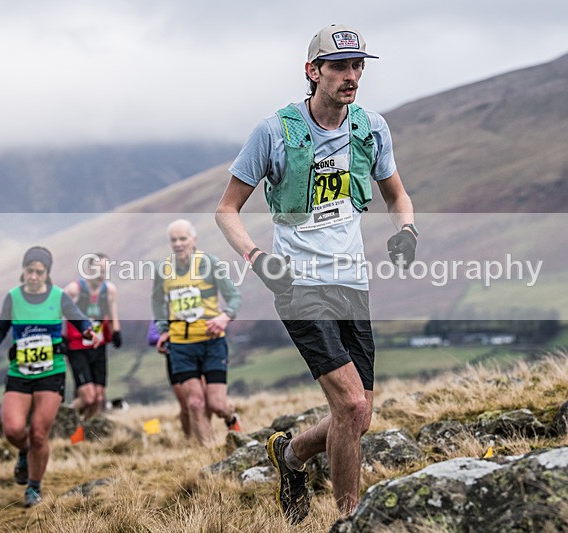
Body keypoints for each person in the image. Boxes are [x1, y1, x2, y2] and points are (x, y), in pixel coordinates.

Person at [215, 24, 417, 522]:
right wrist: (258, 259)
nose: (352, 76)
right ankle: (349, 520)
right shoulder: (274, 132)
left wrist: (407, 230)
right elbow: (226, 211)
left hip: (352, 283)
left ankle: (291, 455)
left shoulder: (371, 128)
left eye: (358, 66)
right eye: (340, 67)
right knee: (350, 407)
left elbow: (396, 195)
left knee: (360, 416)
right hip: (298, 284)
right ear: (313, 71)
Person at [0, 246, 98, 508]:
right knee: (13, 430)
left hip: (51, 372)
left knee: (38, 434)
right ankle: (24, 452)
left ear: (47, 274)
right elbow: (0, 327)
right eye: (30, 271)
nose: (34, 276)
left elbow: (78, 318)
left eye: (39, 272)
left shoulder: (58, 296)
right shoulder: (13, 297)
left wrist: (88, 331)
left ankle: (33, 488)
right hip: (20, 372)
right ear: (23, 271)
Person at [151, 219, 243, 446]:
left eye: (183, 238)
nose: (178, 244)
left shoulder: (210, 264)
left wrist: (224, 317)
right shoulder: (163, 270)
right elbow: (158, 302)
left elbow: (234, 297)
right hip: (181, 345)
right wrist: (163, 329)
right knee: (194, 403)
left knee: (216, 404)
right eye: (174, 240)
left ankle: (231, 418)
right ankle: (209, 452)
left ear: (194, 240)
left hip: (212, 342)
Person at [63, 253, 122, 420]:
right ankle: (62, 418)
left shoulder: (109, 290)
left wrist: (116, 331)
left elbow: (112, 312)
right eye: (98, 270)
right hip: (77, 347)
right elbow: (58, 312)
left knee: (98, 398)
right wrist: (60, 337)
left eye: (105, 270)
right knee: (88, 397)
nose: (102, 274)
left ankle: (84, 428)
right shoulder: (74, 289)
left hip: (98, 346)